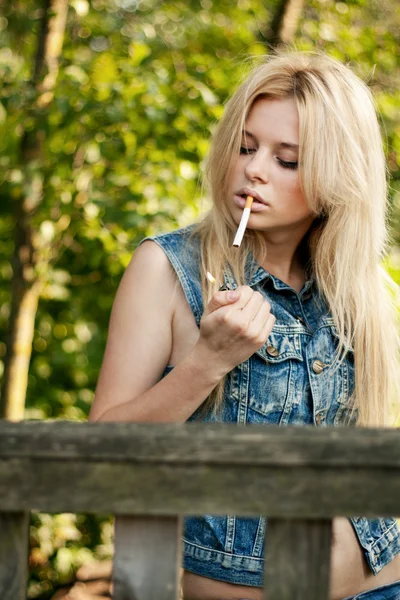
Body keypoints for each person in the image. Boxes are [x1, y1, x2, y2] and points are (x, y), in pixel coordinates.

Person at [89, 51, 400, 600]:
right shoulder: (168, 270)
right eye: (246, 146)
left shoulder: (360, 288)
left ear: (335, 177)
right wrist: (206, 363)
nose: (254, 169)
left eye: (288, 160)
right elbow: (100, 456)